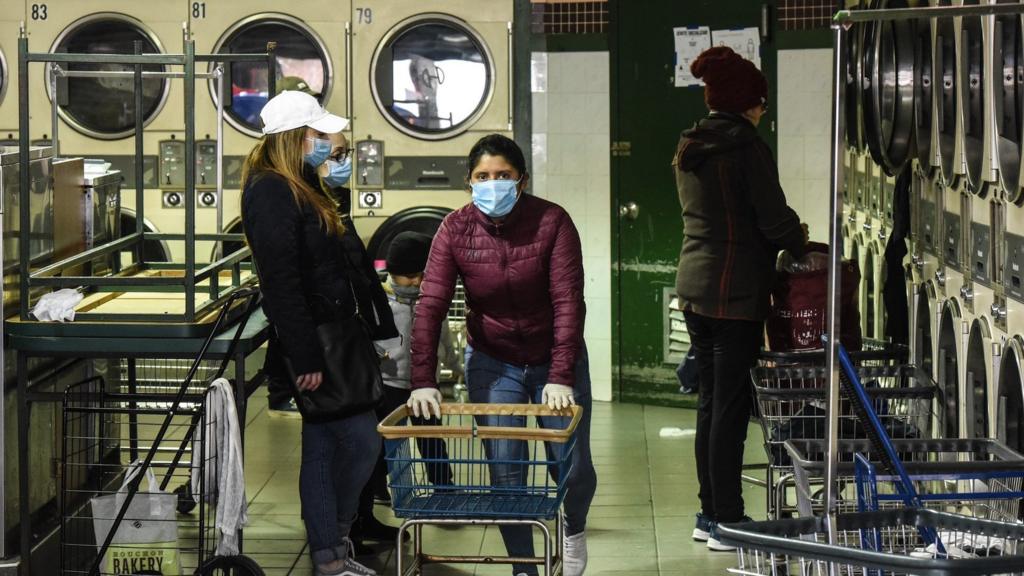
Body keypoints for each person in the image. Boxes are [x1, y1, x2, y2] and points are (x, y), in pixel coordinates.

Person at [407, 134, 596, 576]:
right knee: (506, 469)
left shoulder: (552, 221)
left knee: (572, 466)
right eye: (482, 177)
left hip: (554, 356)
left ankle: (574, 528)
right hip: (494, 360)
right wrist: (422, 379)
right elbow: (431, 303)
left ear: (522, 180)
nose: (493, 184)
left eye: (503, 176)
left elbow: (569, 299)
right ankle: (523, 567)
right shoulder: (454, 229)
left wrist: (562, 374)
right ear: (469, 183)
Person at [241, 90, 388, 576]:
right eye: (321, 134)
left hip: (336, 337)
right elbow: (281, 281)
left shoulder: (303, 184)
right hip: (315, 344)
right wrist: (303, 357)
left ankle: (332, 552)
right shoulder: (270, 190)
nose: (329, 143)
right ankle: (332, 546)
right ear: (297, 137)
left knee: (333, 446)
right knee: (355, 441)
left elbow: (338, 260)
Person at [673, 46, 807, 551]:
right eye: (760, 101)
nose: (762, 109)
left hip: (696, 287)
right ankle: (727, 519)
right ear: (746, 101)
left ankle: (710, 514)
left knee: (712, 404)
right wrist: (800, 242)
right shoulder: (744, 145)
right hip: (734, 293)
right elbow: (772, 218)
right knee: (728, 408)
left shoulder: (691, 142)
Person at [359, 231, 459, 510]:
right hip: (389, 382)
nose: (416, 281)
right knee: (387, 440)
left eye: (421, 274)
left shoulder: (430, 299)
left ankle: (444, 489)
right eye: (409, 275)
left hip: (424, 386)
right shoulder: (379, 300)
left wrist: (454, 365)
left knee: (432, 440)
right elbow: (369, 337)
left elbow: (444, 337)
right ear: (393, 271)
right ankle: (379, 484)